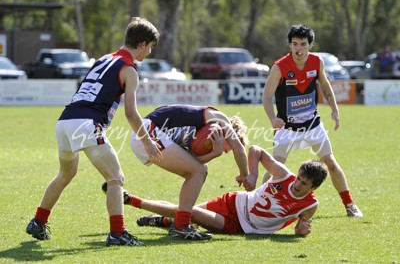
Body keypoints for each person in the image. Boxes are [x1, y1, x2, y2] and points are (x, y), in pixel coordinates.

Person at [25, 17, 162, 246]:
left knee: (65, 174)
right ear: (142, 44)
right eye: (149, 47)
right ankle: (118, 234)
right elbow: (131, 113)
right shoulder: (129, 70)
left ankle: (38, 221)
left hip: (65, 121)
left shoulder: (102, 60)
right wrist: (147, 142)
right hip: (86, 125)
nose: (148, 53)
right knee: (116, 178)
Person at [103, 145, 327, 236]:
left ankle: (130, 199)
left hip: (238, 225)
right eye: (299, 178)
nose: (297, 184)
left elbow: (300, 228)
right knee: (185, 212)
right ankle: (162, 221)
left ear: (313, 188)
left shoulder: (310, 205)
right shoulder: (283, 175)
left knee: (187, 212)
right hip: (232, 201)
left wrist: (302, 231)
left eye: (304, 184)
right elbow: (256, 150)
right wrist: (253, 174)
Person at [261, 24, 363, 217]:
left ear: (310, 45)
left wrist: (334, 109)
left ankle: (350, 205)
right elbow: (266, 96)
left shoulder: (317, 62)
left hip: (312, 125)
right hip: (287, 128)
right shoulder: (279, 67)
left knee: (331, 163)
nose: (298, 49)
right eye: (294, 44)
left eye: (303, 44)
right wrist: (272, 118)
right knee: (275, 168)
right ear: (290, 45)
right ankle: (255, 201)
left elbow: (325, 85)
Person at [128, 104, 250, 240]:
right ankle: (181, 225)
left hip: (147, 134)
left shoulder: (199, 128)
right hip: (148, 133)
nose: (228, 151)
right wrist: (244, 175)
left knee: (199, 170)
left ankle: (181, 223)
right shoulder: (220, 119)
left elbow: (193, 161)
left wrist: (215, 153)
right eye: (230, 146)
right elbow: (239, 150)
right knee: (198, 172)